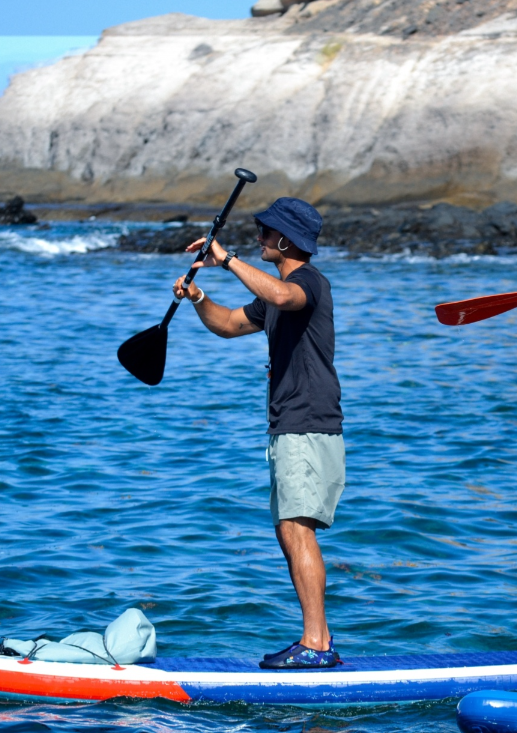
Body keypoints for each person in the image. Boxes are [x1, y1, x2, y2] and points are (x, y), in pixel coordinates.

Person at [174, 197, 345, 669]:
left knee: (297, 527)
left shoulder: (305, 283)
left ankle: (316, 645)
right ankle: (319, 639)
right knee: (288, 529)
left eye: (265, 231)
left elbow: (283, 297)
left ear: (286, 239)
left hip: (309, 423)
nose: (259, 237)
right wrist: (199, 299)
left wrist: (226, 259)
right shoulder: (274, 293)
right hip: (288, 424)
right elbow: (229, 325)